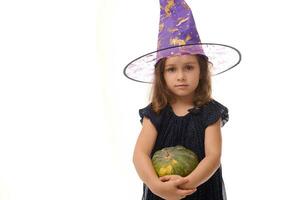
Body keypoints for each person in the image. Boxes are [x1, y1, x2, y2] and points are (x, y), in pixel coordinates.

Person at [123, 0, 241, 199]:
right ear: (161, 75)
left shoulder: (210, 112)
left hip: (200, 189)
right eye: (172, 69)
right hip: (161, 191)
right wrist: (155, 185)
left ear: (201, 71)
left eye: (189, 67)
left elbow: (213, 156)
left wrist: (186, 185)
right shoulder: (156, 111)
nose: (181, 76)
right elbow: (140, 155)